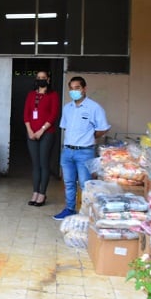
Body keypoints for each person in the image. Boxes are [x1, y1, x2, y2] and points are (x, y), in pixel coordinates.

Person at [53, 76, 110, 220]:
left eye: (77, 88)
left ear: (84, 89)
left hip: (85, 152)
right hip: (67, 151)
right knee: (69, 183)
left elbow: (103, 128)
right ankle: (69, 209)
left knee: (85, 184)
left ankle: (86, 213)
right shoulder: (67, 108)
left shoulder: (94, 107)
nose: (74, 91)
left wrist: (89, 137)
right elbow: (65, 127)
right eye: (71, 89)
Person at [23, 70, 59, 207]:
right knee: (35, 164)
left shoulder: (53, 95)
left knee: (44, 163)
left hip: (47, 133)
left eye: (43, 78)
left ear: (48, 80)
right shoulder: (31, 95)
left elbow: (53, 114)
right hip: (31, 133)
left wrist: (41, 130)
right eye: (38, 78)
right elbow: (26, 114)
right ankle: (35, 192)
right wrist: (30, 130)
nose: (41, 80)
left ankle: (42, 193)